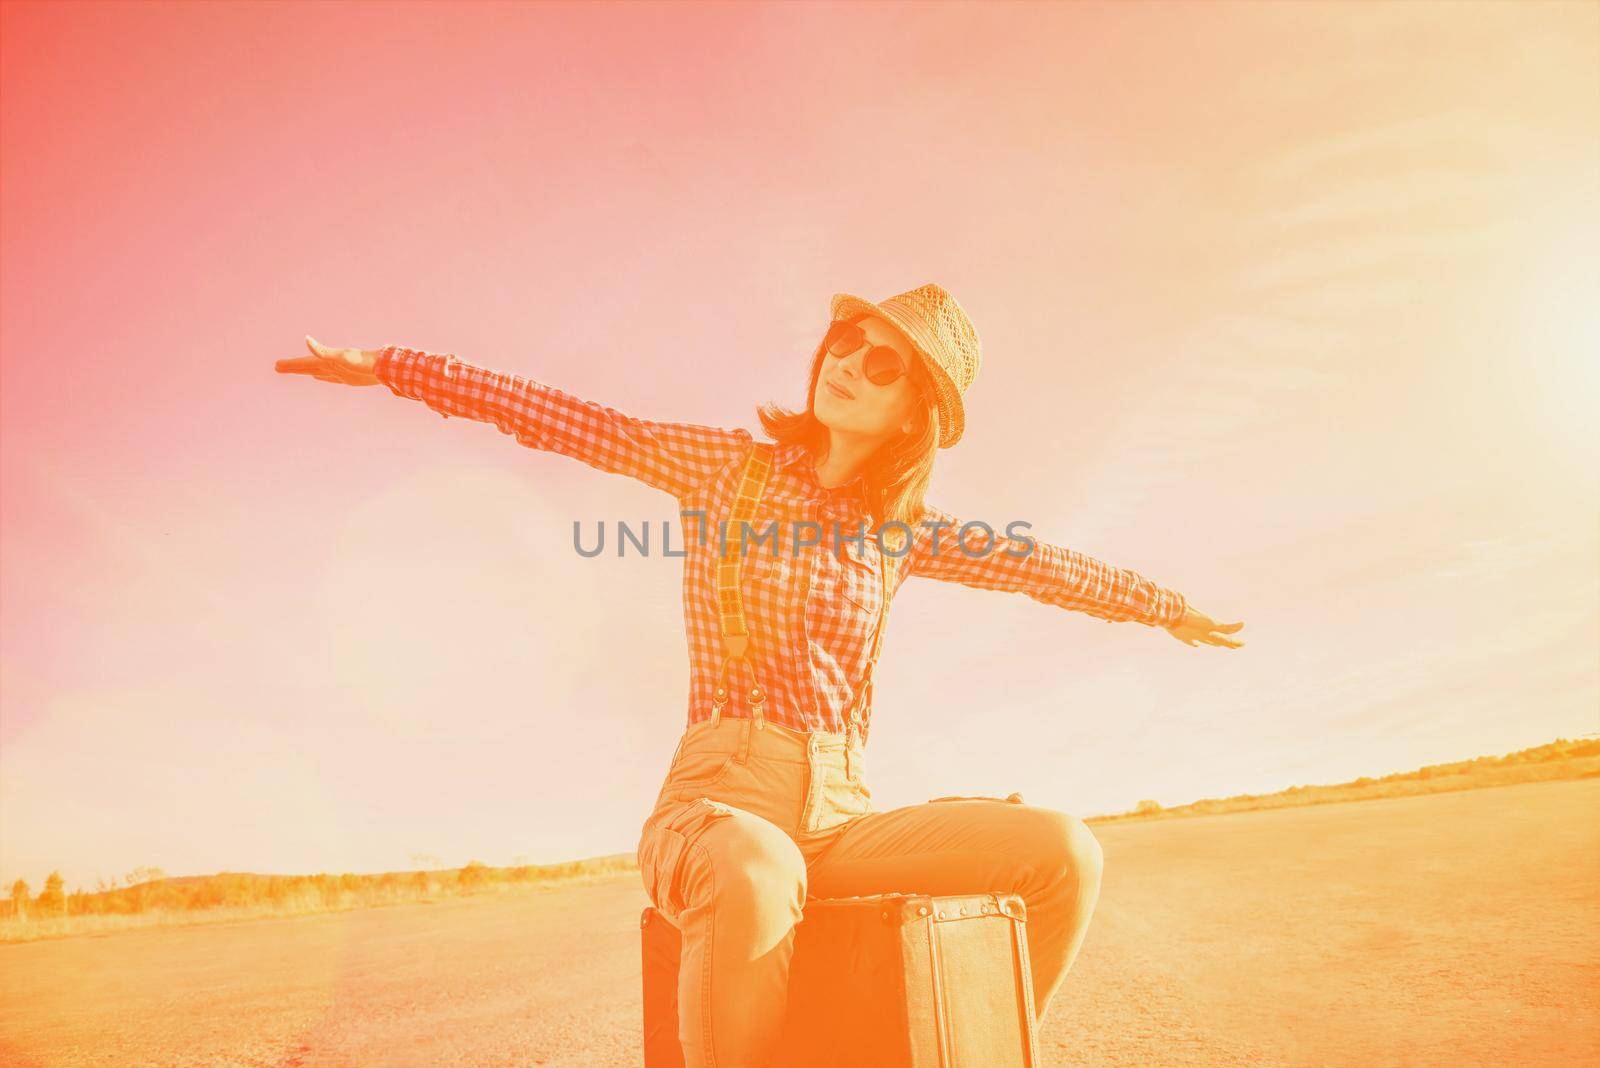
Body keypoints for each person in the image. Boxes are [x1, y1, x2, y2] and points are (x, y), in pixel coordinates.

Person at [277, 282, 1244, 1067]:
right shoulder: (726, 473)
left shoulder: (896, 535)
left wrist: (1164, 607)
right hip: (717, 809)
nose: (848, 367)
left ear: (919, 408)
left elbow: (1041, 566)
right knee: (756, 861)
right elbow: (564, 420)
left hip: (840, 817)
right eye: (843, 345)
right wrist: (394, 368)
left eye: (882, 363)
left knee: (1063, 852)